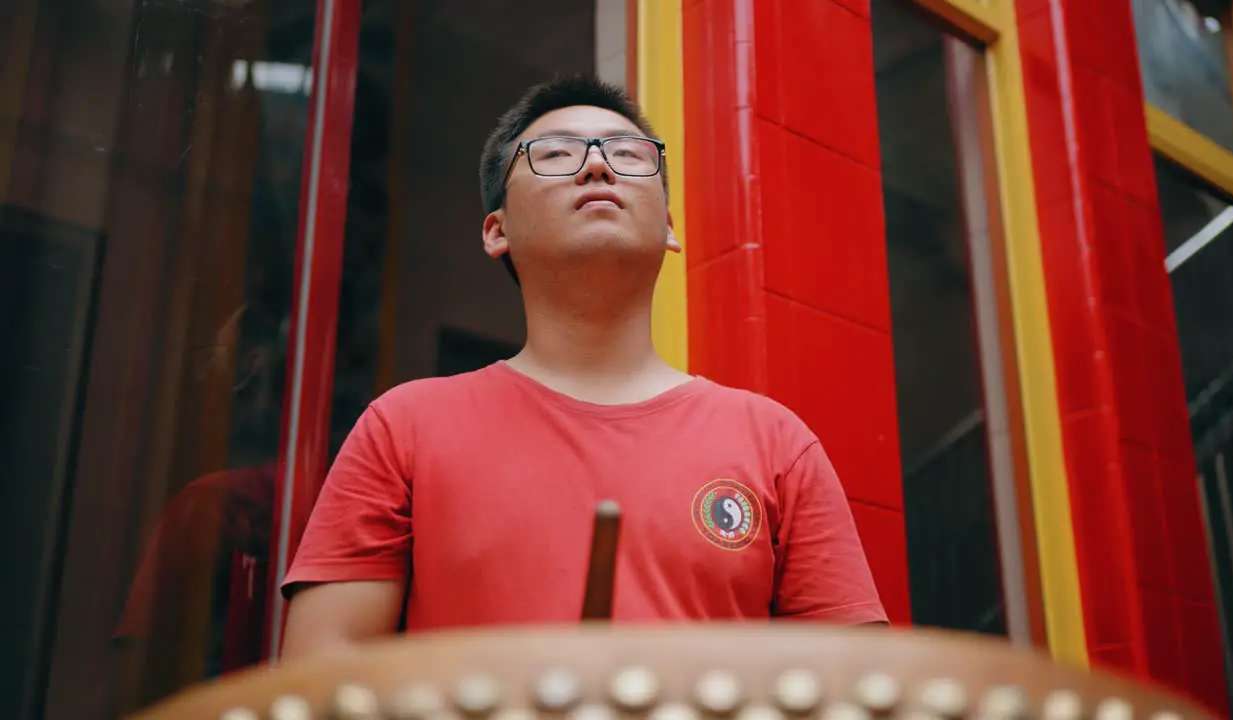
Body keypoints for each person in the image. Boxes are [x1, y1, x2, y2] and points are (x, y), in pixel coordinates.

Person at [281, 75, 886, 659]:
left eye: (628, 154)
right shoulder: (404, 426)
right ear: (498, 231)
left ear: (671, 228)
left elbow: (852, 687)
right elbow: (323, 677)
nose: (598, 166)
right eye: (555, 154)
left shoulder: (776, 442)